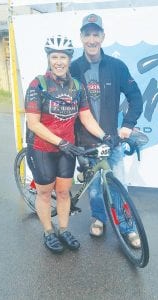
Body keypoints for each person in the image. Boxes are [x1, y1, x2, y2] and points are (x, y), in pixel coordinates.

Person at [25, 34, 114, 254]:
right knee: (45, 193)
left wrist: (105, 136)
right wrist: (60, 142)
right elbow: (33, 123)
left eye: (63, 57)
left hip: (68, 149)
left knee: (64, 193)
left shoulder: (76, 86)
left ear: (68, 59)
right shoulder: (38, 84)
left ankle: (63, 229)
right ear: (49, 58)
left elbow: (86, 117)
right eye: (54, 57)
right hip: (43, 149)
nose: (59, 62)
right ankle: (48, 231)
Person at [70, 14, 143, 248]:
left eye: (96, 34)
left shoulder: (117, 67)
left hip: (113, 142)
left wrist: (127, 125)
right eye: (87, 34)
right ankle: (98, 219)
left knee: (119, 185)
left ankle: (127, 227)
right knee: (93, 188)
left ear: (103, 36)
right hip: (86, 142)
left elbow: (136, 97)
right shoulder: (73, 68)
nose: (92, 39)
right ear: (81, 37)